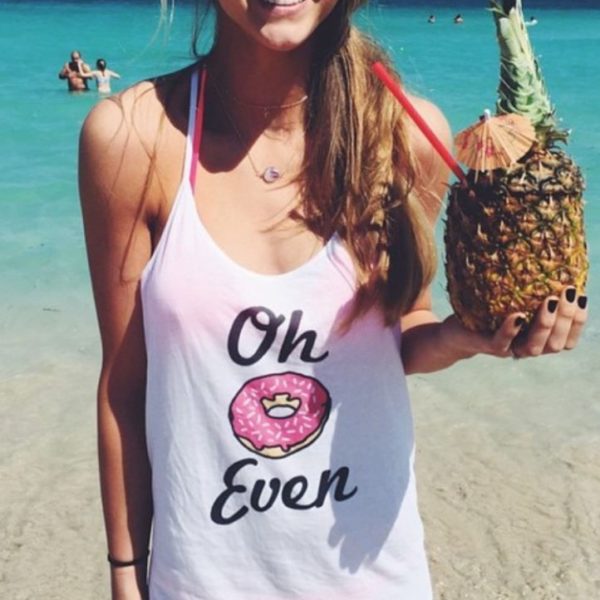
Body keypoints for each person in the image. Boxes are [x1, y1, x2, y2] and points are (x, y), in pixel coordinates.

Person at [78, 0, 588, 598]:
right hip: (200, 582)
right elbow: (124, 387)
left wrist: (462, 337)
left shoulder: (406, 136)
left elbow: (402, 329)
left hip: (374, 579)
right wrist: (125, 572)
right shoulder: (131, 139)